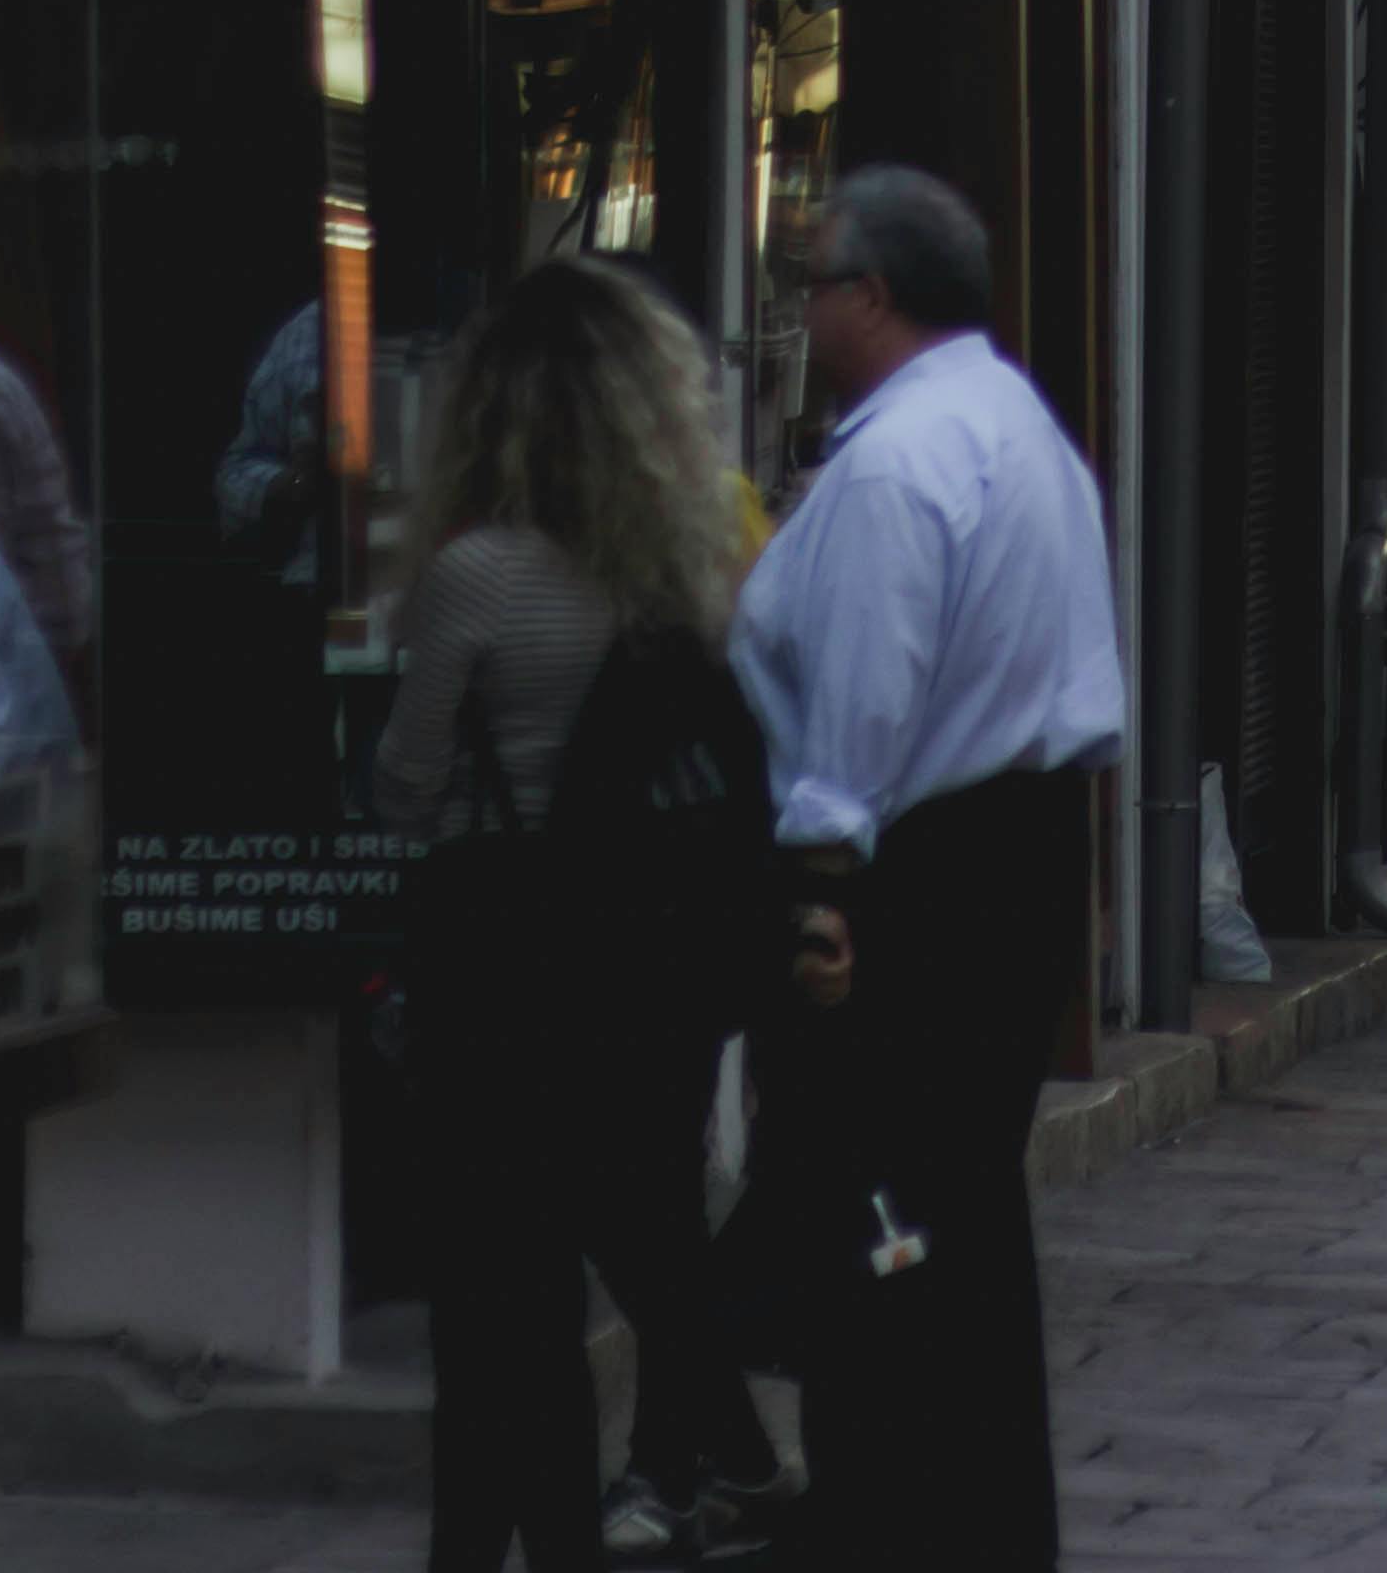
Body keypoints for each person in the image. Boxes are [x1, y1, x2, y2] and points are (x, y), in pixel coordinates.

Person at [733, 167, 1124, 1572]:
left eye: (814, 287)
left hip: (921, 866)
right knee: (949, 1201)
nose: (804, 311)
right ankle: (964, 1514)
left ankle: (888, 1509)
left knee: (886, 1201)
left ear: (874, 297)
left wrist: (824, 890)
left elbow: (861, 692)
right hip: (1011, 854)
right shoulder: (1014, 427)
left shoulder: (902, 462)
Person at [374, 256, 784, 1573]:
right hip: (646, 967)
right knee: (640, 1239)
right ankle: (655, 1484)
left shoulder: (475, 577)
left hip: (498, 968)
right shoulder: (686, 575)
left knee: (498, 1305)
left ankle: (485, 1544)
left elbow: (407, 784)